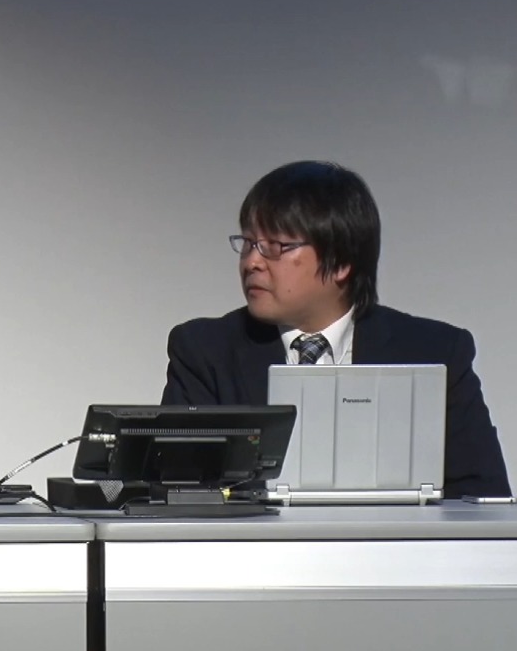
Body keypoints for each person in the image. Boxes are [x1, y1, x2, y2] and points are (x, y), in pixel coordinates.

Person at [162, 160, 509, 498]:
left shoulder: (436, 352)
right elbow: (179, 492)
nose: (252, 262)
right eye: (249, 243)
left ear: (342, 262)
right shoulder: (204, 352)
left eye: (275, 247)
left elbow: (483, 497)